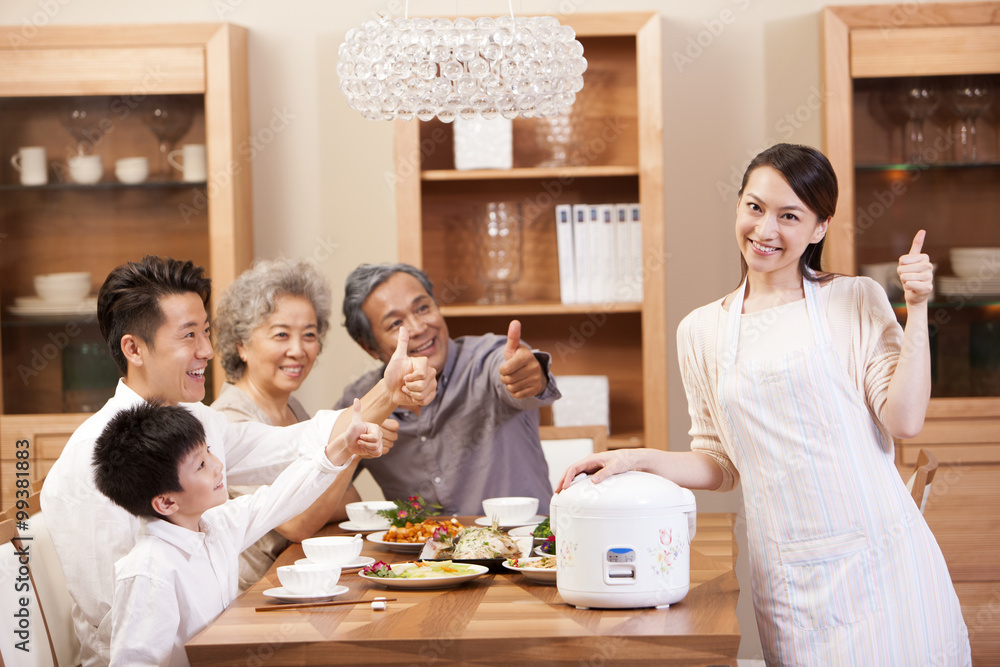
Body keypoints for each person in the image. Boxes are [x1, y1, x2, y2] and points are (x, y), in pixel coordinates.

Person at [558, 144, 970, 665]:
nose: (765, 230)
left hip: (884, 558)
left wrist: (915, 310)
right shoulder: (702, 332)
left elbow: (904, 420)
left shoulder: (856, 300)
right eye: (754, 207)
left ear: (819, 228)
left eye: (789, 216)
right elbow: (721, 464)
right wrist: (634, 459)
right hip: (788, 573)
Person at [40, 255, 433, 666]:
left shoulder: (198, 424)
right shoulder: (93, 459)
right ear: (134, 348)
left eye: (206, 332)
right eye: (189, 335)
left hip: (219, 646)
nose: (207, 351)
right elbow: (118, 626)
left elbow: (293, 449)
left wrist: (386, 394)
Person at [93, 398, 380, 665]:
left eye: (210, 452)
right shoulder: (149, 571)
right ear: (167, 502)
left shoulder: (216, 524)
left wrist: (343, 447)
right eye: (201, 465)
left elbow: (280, 497)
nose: (218, 466)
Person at [336, 263, 561, 516]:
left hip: (526, 549)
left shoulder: (484, 360)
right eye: (396, 323)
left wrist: (528, 375)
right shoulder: (360, 403)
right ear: (369, 347)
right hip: (422, 555)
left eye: (423, 308)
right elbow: (320, 477)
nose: (419, 328)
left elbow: (512, 371)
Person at [211, 258, 367, 590]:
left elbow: (348, 500)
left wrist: (318, 493)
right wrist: (351, 451)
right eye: (281, 334)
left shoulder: (292, 408)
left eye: (309, 335)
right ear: (241, 344)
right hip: (248, 598)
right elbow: (298, 522)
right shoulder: (229, 420)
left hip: (292, 581)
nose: (297, 350)